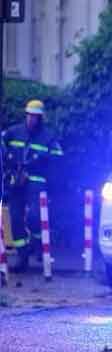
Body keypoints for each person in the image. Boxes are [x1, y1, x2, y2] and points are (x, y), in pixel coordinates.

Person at [1, 100, 64, 272]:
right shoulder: (14, 132)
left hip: (37, 180)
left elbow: (58, 156)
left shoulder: (48, 137)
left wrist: (43, 162)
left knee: (34, 216)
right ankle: (23, 255)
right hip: (16, 180)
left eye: (35, 116)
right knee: (14, 218)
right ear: (25, 115)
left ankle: (37, 243)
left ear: (41, 118)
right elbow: (2, 147)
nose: (31, 119)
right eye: (29, 115)